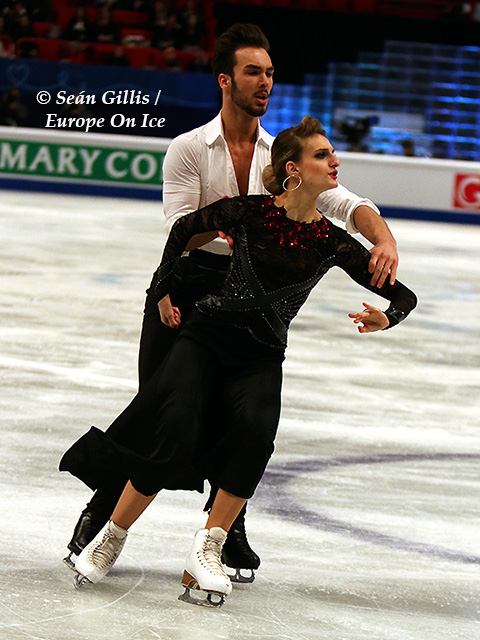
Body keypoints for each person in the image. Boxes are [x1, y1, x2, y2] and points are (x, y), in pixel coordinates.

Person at [63, 23, 400, 584]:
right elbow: (178, 227)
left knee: (243, 418)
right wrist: (233, 224)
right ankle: (102, 516)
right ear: (225, 79)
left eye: (269, 73)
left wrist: (382, 238)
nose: (265, 82)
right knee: (162, 411)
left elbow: (347, 203)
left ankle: (226, 528)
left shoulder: (281, 151)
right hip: (187, 284)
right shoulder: (189, 148)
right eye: (252, 72)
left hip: (250, 297)